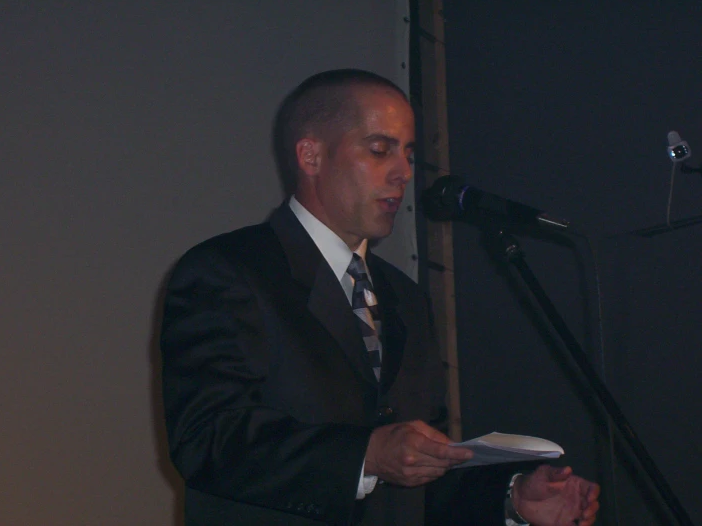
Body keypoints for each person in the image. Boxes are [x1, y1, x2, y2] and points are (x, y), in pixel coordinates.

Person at [160, 69, 600, 526]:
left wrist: (511, 500)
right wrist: (365, 456)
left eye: (409, 154)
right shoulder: (229, 270)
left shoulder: (402, 296)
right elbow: (207, 438)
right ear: (311, 155)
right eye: (379, 149)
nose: (404, 172)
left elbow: (426, 474)